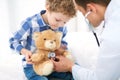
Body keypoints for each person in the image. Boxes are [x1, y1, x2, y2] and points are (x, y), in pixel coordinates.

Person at [51, 0, 120, 80]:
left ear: (91, 8)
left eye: (81, 11)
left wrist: (70, 67)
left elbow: (100, 78)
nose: (85, 17)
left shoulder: (112, 35)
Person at [9, 0, 76, 80]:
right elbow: (13, 41)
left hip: (53, 64)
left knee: (74, 75)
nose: (60, 25)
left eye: (65, 22)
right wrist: (24, 51)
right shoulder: (30, 23)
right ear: (48, 8)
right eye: (57, 20)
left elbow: (62, 42)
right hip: (34, 66)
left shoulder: (61, 27)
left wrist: (63, 51)